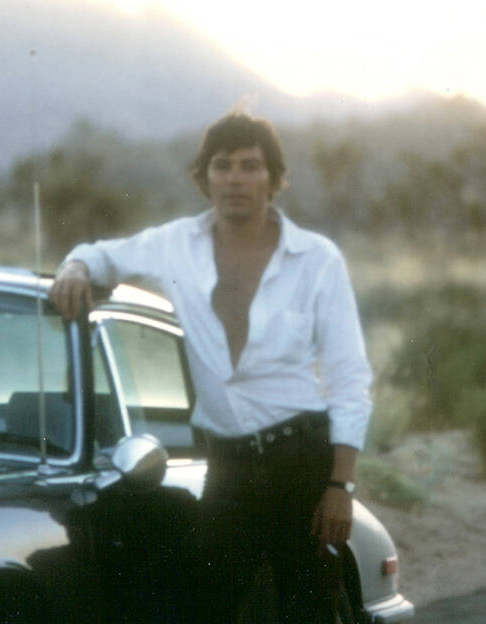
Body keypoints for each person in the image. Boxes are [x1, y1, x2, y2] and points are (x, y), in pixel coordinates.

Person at [49, 111, 373, 623]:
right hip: (229, 469)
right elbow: (100, 254)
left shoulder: (317, 259)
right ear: (204, 179)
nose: (236, 178)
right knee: (203, 603)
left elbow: (349, 378)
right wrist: (75, 267)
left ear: (274, 178)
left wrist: (340, 486)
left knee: (308, 610)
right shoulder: (175, 245)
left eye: (250, 165)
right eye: (223, 166)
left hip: (301, 463)